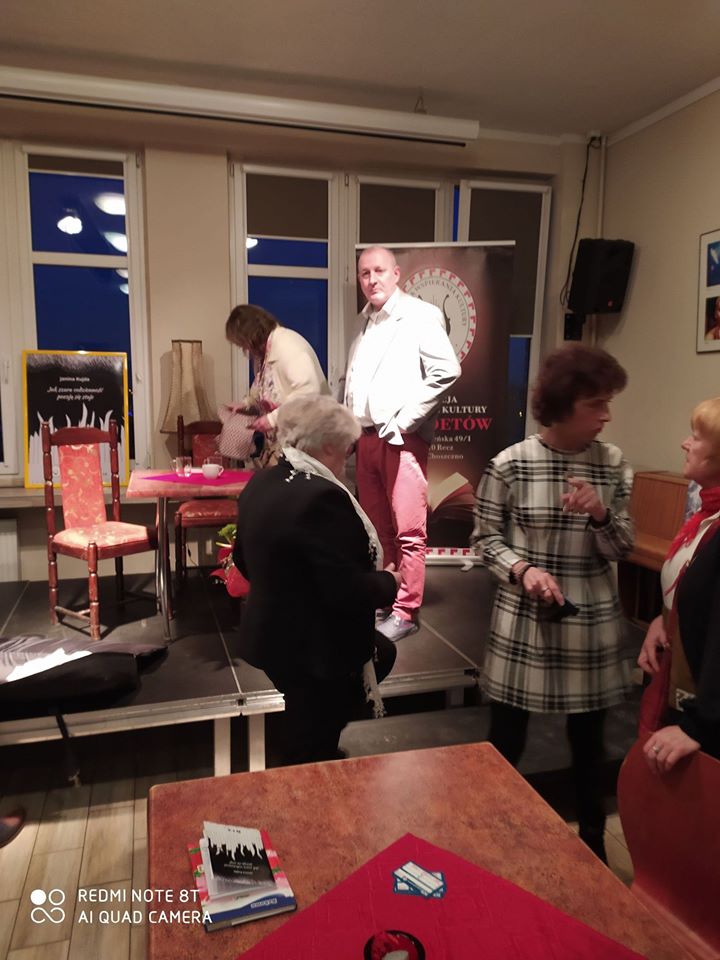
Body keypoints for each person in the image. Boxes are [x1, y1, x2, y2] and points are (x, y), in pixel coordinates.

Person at [471, 344, 633, 861]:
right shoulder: (511, 464)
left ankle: (593, 848)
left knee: (589, 746)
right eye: (596, 404)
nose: (606, 416)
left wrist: (601, 514)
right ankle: (488, 842)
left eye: (608, 403)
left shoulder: (612, 464)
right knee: (505, 742)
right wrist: (524, 569)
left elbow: (622, 548)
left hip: (590, 623)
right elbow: (484, 541)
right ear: (563, 404)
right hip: (525, 622)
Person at [232, 394, 400, 765]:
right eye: (346, 448)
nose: (348, 458)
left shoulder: (261, 482)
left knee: (312, 713)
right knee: (313, 732)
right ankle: (308, 770)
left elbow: (241, 559)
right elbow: (345, 590)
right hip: (310, 647)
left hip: (270, 634)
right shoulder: (322, 496)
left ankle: (310, 747)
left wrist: (285, 587)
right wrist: (389, 582)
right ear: (326, 446)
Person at [343, 246, 461, 642]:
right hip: (365, 438)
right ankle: (387, 596)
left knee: (409, 531)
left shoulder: (420, 314)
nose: (371, 279)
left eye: (379, 271)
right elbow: (353, 380)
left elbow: (447, 369)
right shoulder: (363, 322)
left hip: (399, 438)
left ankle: (406, 610)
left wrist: (404, 421)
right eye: (364, 273)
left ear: (396, 274)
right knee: (378, 529)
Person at [638, 397, 720, 773]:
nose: (685, 444)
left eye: (696, 437)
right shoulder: (705, 511)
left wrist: (701, 724)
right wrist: (665, 619)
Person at [225, 304, 330, 465]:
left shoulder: (289, 347)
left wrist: (272, 419)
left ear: (251, 336)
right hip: (286, 444)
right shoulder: (263, 354)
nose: (244, 349)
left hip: (310, 442)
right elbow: (265, 386)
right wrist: (247, 404)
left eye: (242, 343)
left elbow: (309, 393)